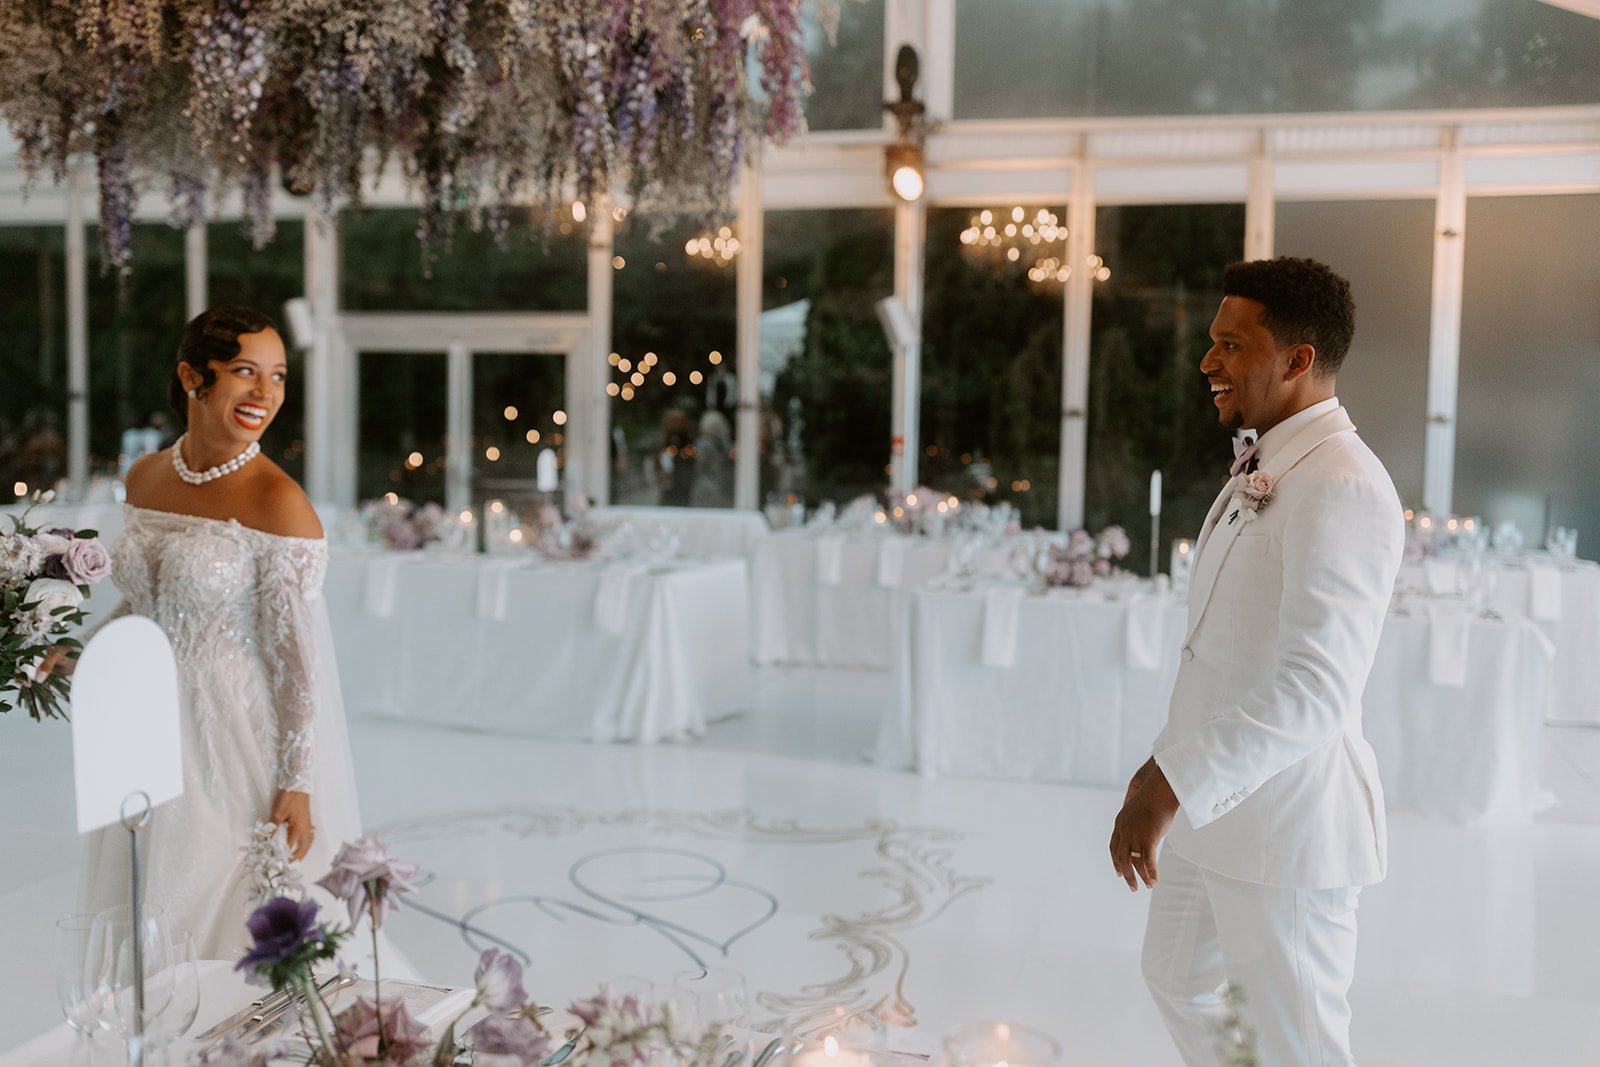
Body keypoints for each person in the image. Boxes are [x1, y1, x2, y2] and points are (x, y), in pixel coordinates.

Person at [1108, 258, 1403, 1066]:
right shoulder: (1270, 461)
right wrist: (1164, 766)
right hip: (1216, 811)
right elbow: (1221, 647)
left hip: (1286, 830)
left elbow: (1317, 686)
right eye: (1213, 343)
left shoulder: (1343, 483)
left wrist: (1173, 784)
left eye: (1232, 344)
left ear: (1298, 359)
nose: (1209, 361)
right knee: (1173, 974)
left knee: (1297, 1043)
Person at [41, 306, 362, 958]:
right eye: (245, 372)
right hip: (141, 723)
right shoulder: (145, 476)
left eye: (277, 376)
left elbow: (298, 661)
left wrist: (295, 782)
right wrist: (81, 653)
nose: (266, 394)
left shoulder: (280, 502)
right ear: (192, 375)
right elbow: (146, 605)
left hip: (229, 739)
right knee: (144, 902)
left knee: (220, 905)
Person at [689, 410, 734, 508]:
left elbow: (698, 465)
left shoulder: (702, 444)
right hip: (722, 487)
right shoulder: (727, 445)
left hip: (705, 486)